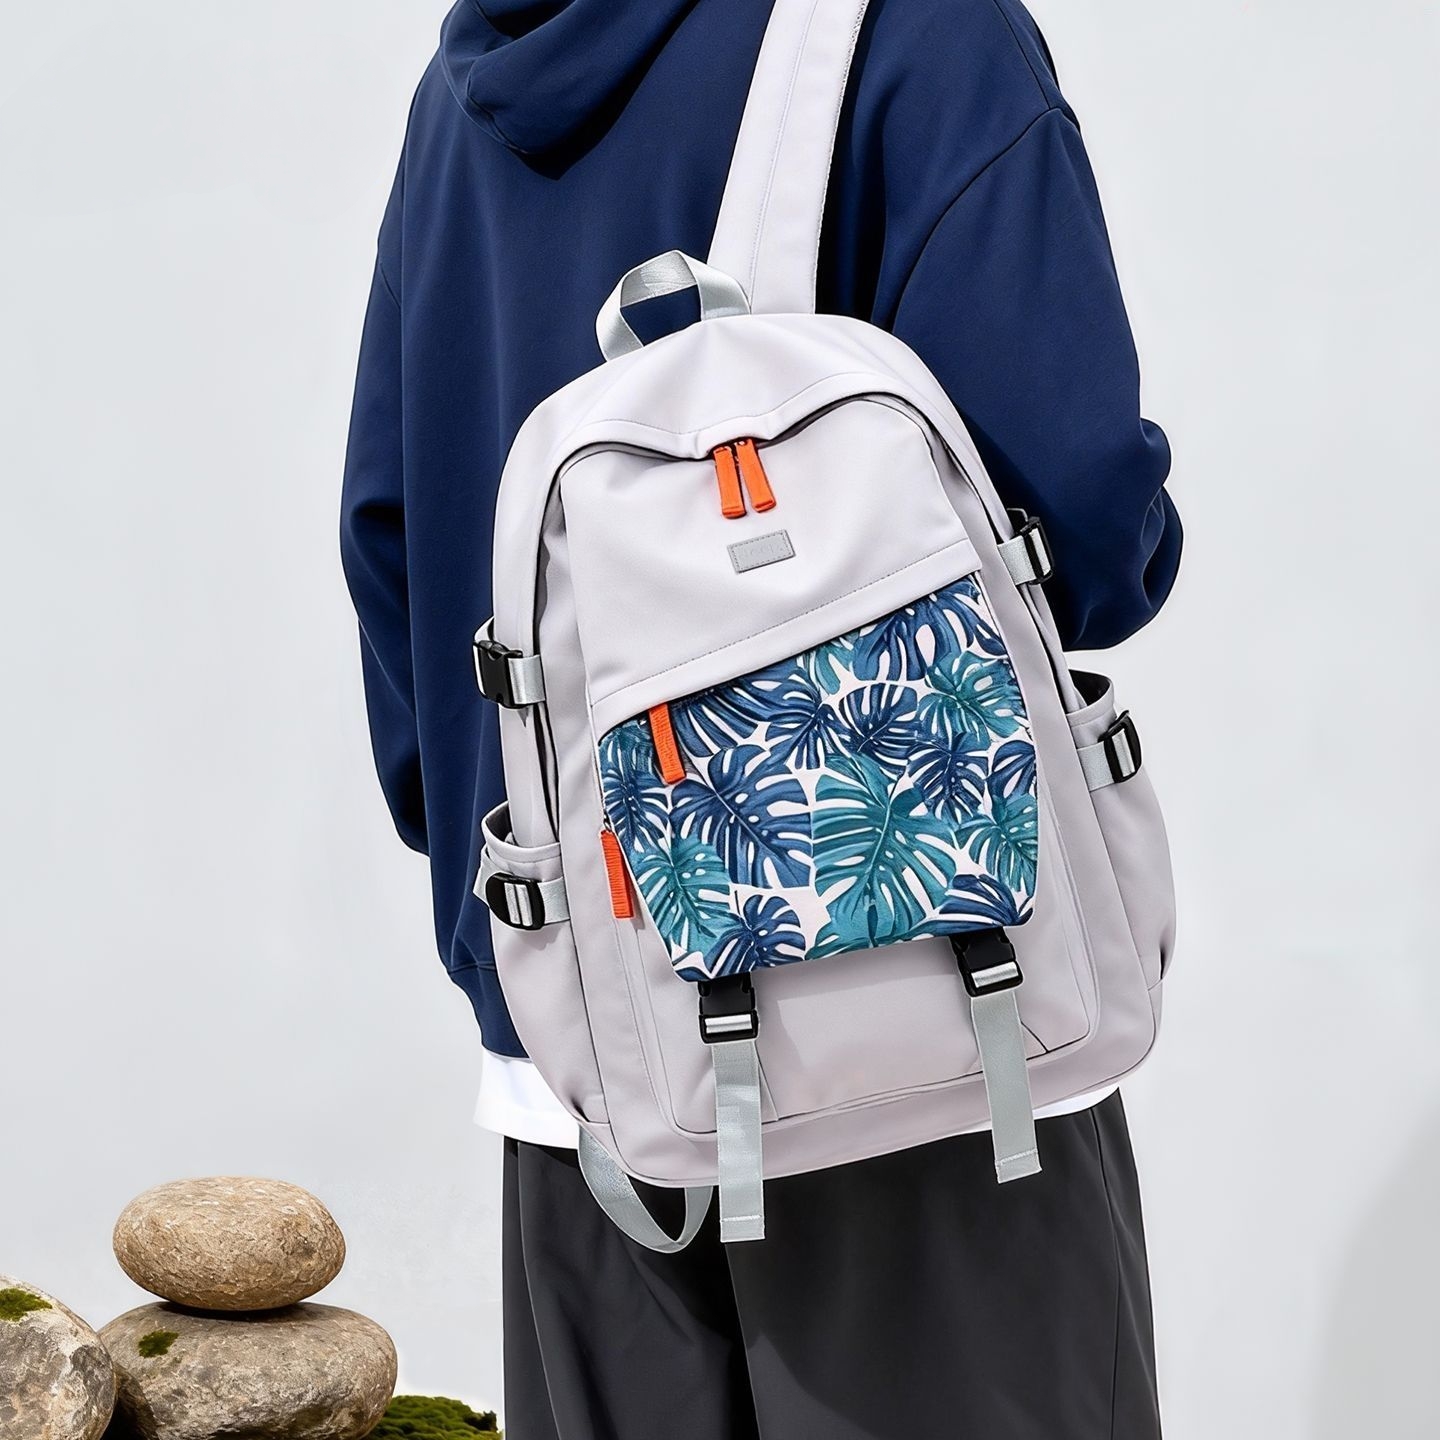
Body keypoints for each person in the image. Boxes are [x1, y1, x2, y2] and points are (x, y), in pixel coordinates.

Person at [341, 1, 1182, 1435]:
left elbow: (391, 535)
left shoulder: (462, 88)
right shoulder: (917, 36)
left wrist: (545, 895)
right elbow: (1084, 520)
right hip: (931, 1037)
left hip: (587, 1069)